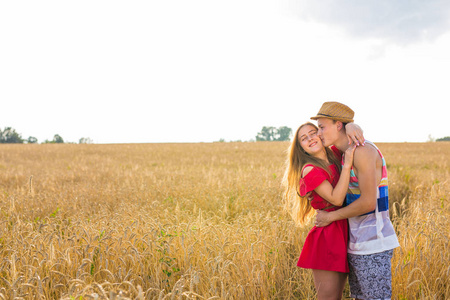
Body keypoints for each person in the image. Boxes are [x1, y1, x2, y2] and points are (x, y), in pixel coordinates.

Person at [312, 102, 400, 300]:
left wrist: (330, 217)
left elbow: (369, 202)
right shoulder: (345, 154)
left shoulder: (363, 151)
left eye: (322, 127)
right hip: (357, 246)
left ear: (339, 125)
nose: (318, 133)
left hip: (374, 245)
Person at [282, 121, 360, 300]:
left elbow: (343, 135)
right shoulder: (310, 169)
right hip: (328, 236)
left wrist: (351, 126)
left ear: (320, 134)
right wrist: (347, 166)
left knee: (338, 295)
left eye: (313, 133)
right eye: (304, 138)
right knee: (328, 297)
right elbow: (336, 198)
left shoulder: (333, 154)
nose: (310, 138)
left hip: (345, 228)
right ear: (301, 148)